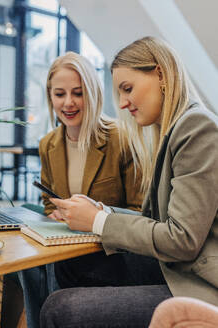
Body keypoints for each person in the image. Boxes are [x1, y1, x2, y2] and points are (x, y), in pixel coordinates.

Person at [40, 36, 218, 328]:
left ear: (160, 74)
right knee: (71, 265)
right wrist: (101, 211)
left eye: (127, 89)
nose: (122, 104)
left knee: (58, 309)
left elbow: (181, 239)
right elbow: (153, 221)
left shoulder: (196, 128)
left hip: (196, 282)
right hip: (175, 267)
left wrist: (99, 221)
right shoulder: (174, 130)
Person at [18, 51, 143, 328]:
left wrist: (96, 216)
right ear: (50, 96)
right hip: (67, 247)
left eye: (78, 92)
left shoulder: (121, 139)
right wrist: (55, 214)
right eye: (59, 94)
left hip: (111, 252)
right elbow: (50, 202)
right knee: (29, 263)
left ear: (93, 93)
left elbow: (141, 212)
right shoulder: (48, 144)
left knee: (50, 267)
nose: (69, 103)